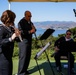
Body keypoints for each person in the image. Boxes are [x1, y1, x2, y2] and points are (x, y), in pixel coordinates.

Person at [0, 10, 20, 75]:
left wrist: (18, 34)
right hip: (3, 57)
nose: (14, 21)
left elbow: (18, 40)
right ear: (9, 19)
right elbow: (1, 42)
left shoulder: (10, 28)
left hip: (9, 56)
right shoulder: (1, 29)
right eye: (13, 19)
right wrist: (11, 38)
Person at [17, 10, 36, 75]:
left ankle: (25, 70)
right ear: (25, 15)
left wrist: (34, 29)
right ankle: (21, 73)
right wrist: (30, 31)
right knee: (23, 57)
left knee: (28, 57)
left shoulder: (30, 22)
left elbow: (34, 29)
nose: (30, 17)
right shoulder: (21, 22)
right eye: (29, 16)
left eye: (31, 16)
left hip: (29, 41)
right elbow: (21, 32)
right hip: (23, 42)